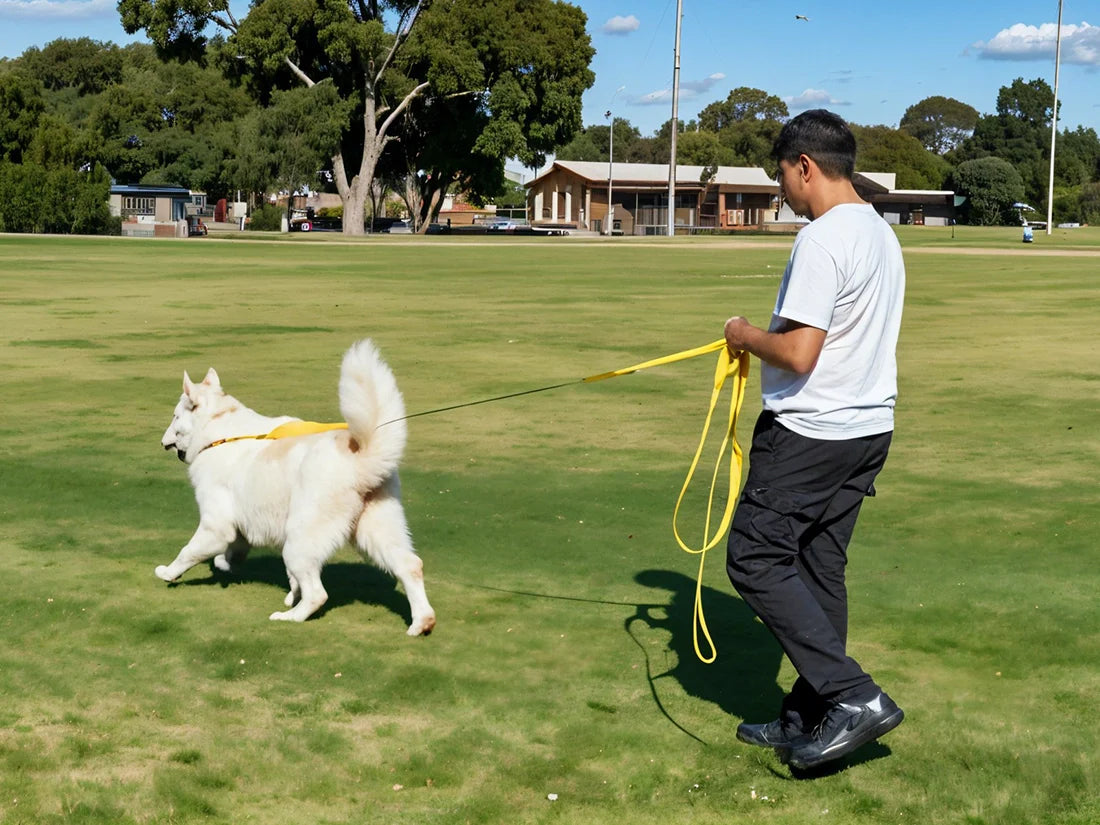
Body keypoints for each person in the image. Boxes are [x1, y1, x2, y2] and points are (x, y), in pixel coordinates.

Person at [722, 109, 906, 771]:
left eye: (781, 176)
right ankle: (810, 713)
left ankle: (854, 697)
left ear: (805, 166)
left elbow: (800, 352)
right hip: (866, 430)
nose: (781, 191)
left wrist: (744, 335)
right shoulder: (880, 232)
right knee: (818, 567)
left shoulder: (823, 239)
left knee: (753, 556)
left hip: (811, 431)